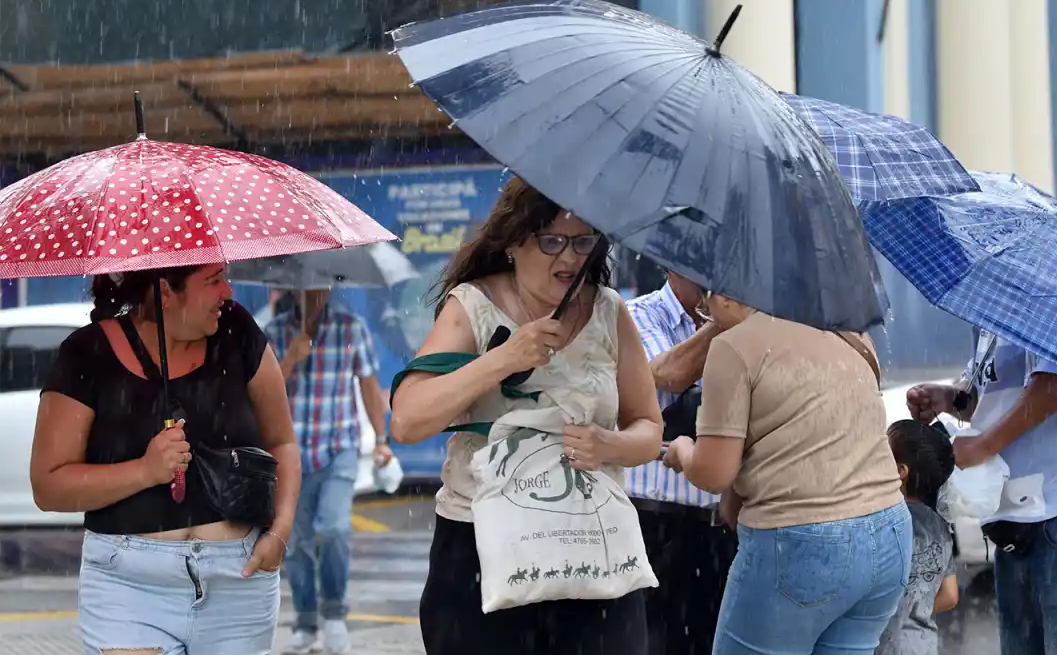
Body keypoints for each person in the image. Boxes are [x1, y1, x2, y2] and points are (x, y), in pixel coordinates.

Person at [390, 176, 664, 655]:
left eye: (583, 242)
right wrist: (504, 358)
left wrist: (609, 445)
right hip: (482, 547)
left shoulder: (608, 310)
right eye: (552, 240)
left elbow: (648, 429)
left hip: (592, 548)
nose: (570, 257)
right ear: (516, 242)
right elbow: (408, 421)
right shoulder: (471, 306)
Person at [30, 265, 299, 655]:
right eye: (212, 281)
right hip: (130, 586)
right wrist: (144, 470)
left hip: (238, 581)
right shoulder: (87, 354)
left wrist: (280, 532)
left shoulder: (236, 330)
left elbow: (283, 443)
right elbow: (49, 486)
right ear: (165, 292)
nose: (227, 290)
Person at [663, 291, 911, 655]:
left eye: (706, 301)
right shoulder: (850, 332)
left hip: (802, 543)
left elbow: (714, 474)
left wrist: (685, 451)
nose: (706, 314)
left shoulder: (734, 346)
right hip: (889, 535)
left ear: (729, 293)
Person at [908, 330, 1057, 654]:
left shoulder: (1053, 287)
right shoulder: (993, 312)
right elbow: (1000, 400)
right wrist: (950, 399)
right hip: (1019, 512)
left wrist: (985, 446)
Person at [264, 288, 392, 655]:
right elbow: (260, 392)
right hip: (290, 454)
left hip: (339, 448)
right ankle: (306, 621)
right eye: (307, 284)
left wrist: (381, 439)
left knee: (334, 528)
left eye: (322, 284)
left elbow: (367, 384)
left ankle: (334, 614)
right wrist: (289, 359)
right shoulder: (275, 331)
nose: (315, 292)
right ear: (295, 287)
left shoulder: (352, 328)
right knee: (296, 543)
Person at [626, 271, 737, 655]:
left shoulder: (745, 325)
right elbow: (670, 375)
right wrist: (724, 321)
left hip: (719, 526)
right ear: (675, 265)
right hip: (653, 521)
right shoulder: (637, 314)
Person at [876, 420, 959, 655]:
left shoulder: (888, 520)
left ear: (901, 471)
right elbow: (950, 596)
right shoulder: (940, 525)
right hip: (922, 645)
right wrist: (915, 609)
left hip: (884, 645)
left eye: (883, 451)